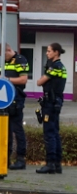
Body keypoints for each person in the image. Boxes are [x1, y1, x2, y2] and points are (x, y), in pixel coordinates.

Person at [0, 44, 30, 170]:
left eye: (4, 55)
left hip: (16, 99)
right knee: (5, 129)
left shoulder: (21, 60)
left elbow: (23, 80)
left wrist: (6, 79)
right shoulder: (4, 62)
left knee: (17, 129)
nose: (3, 58)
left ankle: (21, 159)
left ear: (9, 50)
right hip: (5, 100)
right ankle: (5, 159)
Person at [36, 42, 67, 174]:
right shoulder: (59, 67)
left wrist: (45, 73)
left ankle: (50, 164)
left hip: (51, 103)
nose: (46, 53)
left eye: (49, 51)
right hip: (55, 103)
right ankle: (57, 164)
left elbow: (39, 82)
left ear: (56, 52)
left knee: (49, 135)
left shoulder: (56, 67)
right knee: (55, 134)